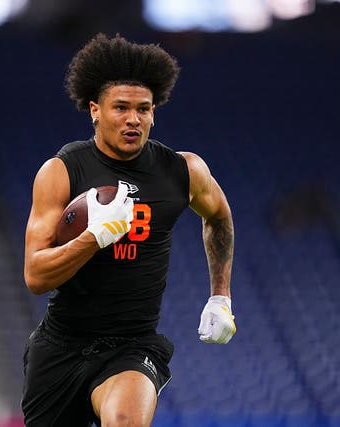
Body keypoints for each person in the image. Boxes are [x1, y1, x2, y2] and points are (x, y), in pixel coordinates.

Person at [22, 33, 236, 427]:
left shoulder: (183, 171)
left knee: (125, 420)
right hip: (60, 347)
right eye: (121, 107)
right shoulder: (61, 172)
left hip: (132, 347)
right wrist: (93, 239)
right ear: (95, 110)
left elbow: (219, 216)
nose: (133, 119)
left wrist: (220, 296)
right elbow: (36, 276)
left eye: (143, 109)